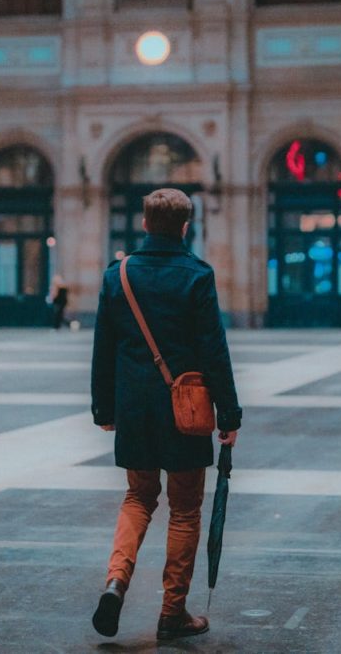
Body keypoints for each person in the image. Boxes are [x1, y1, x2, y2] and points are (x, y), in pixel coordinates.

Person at [90, 188, 242, 641]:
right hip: (186, 408)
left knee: (138, 498)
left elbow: (104, 348)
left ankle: (116, 582)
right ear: (184, 226)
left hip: (135, 407)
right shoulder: (196, 275)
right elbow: (214, 349)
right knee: (185, 510)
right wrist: (229, 414)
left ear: (143, 224)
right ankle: (172, 613)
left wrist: (104, 407)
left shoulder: (118, 275)